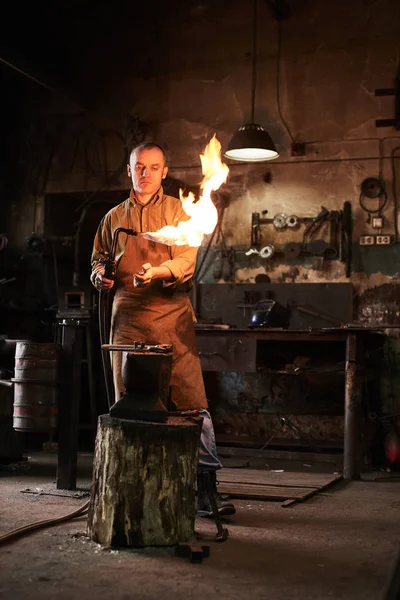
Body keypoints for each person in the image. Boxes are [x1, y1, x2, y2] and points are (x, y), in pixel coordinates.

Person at [90, 142, 235, 518]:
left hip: (171, 312)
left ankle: (205, 488)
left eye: (154, 167)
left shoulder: (179, 210)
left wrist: (158, 272)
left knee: (190, 398)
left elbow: (186, 260)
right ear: (129, 169)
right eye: (139, 166)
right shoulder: (112, 218)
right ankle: (129, 484)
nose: (146, 173)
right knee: (129, 399)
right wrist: (100, 277)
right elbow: (99, 261)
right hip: (128, 314)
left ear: (164, 171)